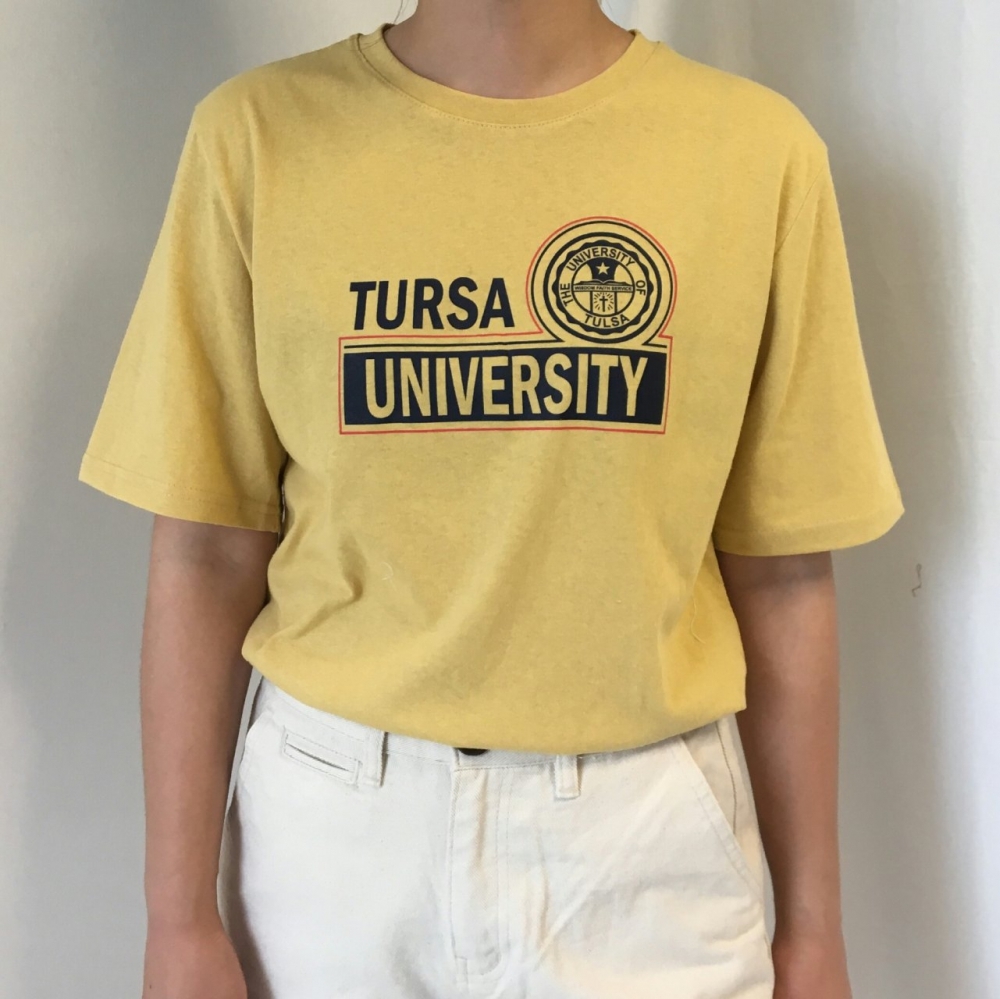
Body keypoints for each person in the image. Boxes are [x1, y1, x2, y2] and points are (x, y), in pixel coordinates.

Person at [77, 1, 905, 997]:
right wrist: (176, 917)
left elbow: (782, 574)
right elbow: (206, 551)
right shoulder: (253, 137)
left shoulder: (758, 153)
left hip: (644, 847)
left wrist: (814, 932)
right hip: (335, 836)